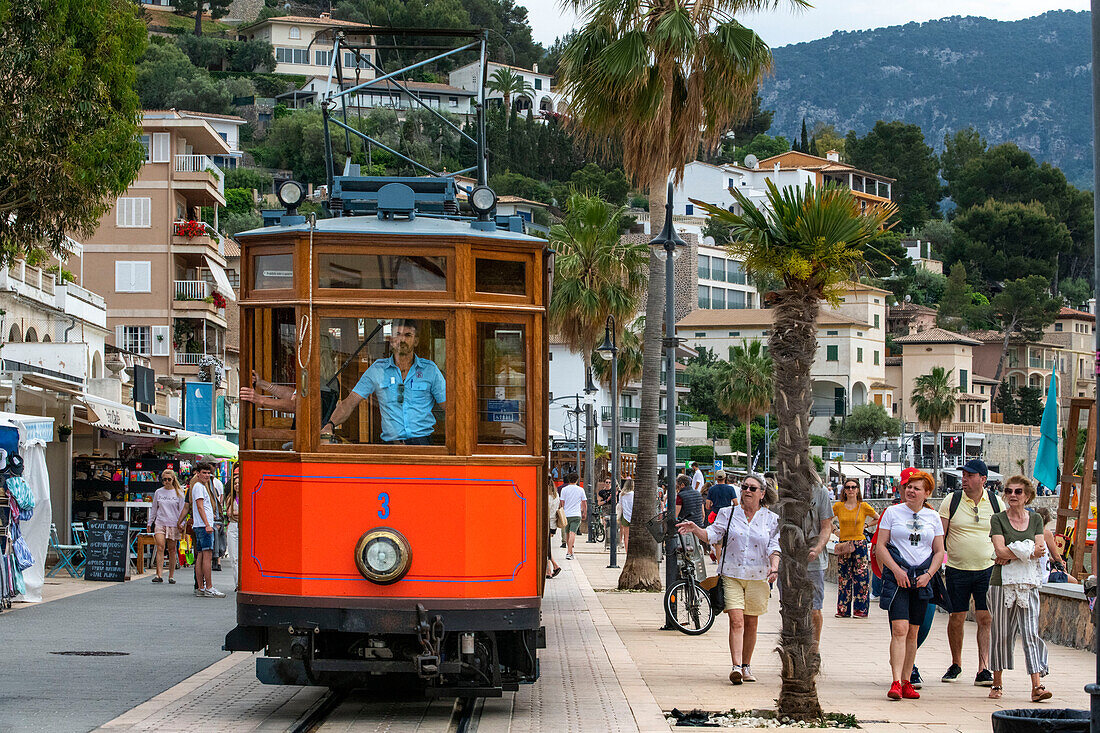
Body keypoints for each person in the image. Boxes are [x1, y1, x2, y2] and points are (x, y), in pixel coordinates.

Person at [677, 473, 779, 685]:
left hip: (759, 576)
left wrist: (775, 567)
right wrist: (696, 529)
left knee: (751, 622)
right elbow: (712, 535)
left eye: (752, 488)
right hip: (732, 574)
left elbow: (774, 546)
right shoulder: (728, 513)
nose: (747, 491)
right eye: (744, 487)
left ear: (762, 493)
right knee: (736, 619)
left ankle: (746, 666)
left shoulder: (771, 519)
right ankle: (736, 667)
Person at [876, 469, 946, 700]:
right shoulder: (892, 513)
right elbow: (881, 546)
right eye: (908, 486)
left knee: (913, 631)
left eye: (916, 488)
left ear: (927, 493)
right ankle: (895, 680)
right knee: (899, 629)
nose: (910, 491)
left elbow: (939, 551)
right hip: (898, 578)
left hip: (922, 579)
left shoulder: (933, 517)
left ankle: (907, 680)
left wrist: (929, 574)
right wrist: (895, 570)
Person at [322, 319, 445, 445]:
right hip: (391, 446)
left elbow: (449, 406)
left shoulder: (430, 370)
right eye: (397, 334)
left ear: (416, 341)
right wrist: (329, 426)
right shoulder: (378, 369)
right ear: (391, 340)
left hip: (423, 444)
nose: (402, 340)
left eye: (408, 335)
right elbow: (349, 403)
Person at [987, 475, 1051, 702]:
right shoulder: (998, 519)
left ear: (1027, 496)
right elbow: (999, 550)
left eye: (1018, 492)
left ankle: (1037, 686)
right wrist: (1025, 552)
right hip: (1001, 583)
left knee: (1030, 632)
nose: (1012, 495)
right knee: (1002, 633)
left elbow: (1040, 549)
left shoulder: (1035, 520)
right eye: (1009, 491)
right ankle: (997, 682)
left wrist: (1011, 553)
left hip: (1028, 583)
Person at [939, 458, 1000, 686]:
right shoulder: (951, 500)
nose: (964, 479)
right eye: (963, 475)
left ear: (983, 479)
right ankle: (956, 663)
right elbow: (940, 534)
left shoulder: (995, 502)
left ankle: (983, 668)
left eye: (970, 475)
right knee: (957, 617)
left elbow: (1004, 532)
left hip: (987, 568)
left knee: (985, 618)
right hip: (957, 568)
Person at [833, 478, 879, 618]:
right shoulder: (838, 506)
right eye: (848, 487)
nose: (851, 490)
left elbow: (878, 518)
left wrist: (865, 526)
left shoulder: (863, 506)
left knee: (861, 578)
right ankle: (843, 609)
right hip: (844, 544)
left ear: (858, 489)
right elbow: (827, 520)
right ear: (844, 490)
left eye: (853, 487)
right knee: (844, 578)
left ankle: (860, 610)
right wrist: (835, 531)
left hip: (859, 544)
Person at [180, 463, 225, 598]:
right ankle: (208, 587)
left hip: (200, 526)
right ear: (198, 474)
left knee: (200, 556)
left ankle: (200, 587)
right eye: (203, 472)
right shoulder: (199, 487)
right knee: (207, 555)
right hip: (203, 526)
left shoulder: (198, 487)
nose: (206, 475)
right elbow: (200, 507)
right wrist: (207, 524)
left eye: (208, 473)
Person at [805, 480, 835, 643]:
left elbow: (826, 526)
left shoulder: (820, 491)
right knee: (791, 609)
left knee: (814, 609)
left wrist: (817, 548)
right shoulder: (785, 490)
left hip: (814, 562)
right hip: (789, 562)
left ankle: (814, 650)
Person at [147, 470, 186, 584]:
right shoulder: (158, 492)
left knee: (172, 550)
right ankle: (159, 574)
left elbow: (182, 510)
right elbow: (154, 508)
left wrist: (181, 524)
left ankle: (171, 575)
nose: (167, 482)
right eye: (164, 479)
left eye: (169, 479)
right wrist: (150, 522)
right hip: (160, 522)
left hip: (174, 523)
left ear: (173, 479)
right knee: (160, 547)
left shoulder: (179, 493)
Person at [559, 472, 587, 560]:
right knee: (572, 533)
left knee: (567, 533)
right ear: (577, 480)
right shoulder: (580, 490)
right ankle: (569, 552)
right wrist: (584, 512)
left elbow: (562, 503)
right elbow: (584, 502)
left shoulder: (564, 490)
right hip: (576, 514)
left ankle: (569, 551)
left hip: (567, 514)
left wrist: (562, 511)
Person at [225, 467, 240, 589]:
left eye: (239, 483)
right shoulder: (230, 497)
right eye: (235, 483)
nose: (237, 485)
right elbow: (229, 513)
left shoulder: (247, 497)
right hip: (233, 527)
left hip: (243, 528)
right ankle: (237, 583)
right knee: (234, 557)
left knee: (243, 557)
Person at [546, 479, 562, 578]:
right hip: (553, 524)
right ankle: (553, 567)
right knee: (547, 547)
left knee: (546, 548)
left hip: (547, 524)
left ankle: (551, 568)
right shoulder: (556, 496)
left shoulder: (547, 497)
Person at [619, 478, 634, 554]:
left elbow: (620, 505)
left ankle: (627, 552)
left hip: (625, 515)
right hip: (633, 516)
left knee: (626, 536)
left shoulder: (621, 494)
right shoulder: (633, 494)